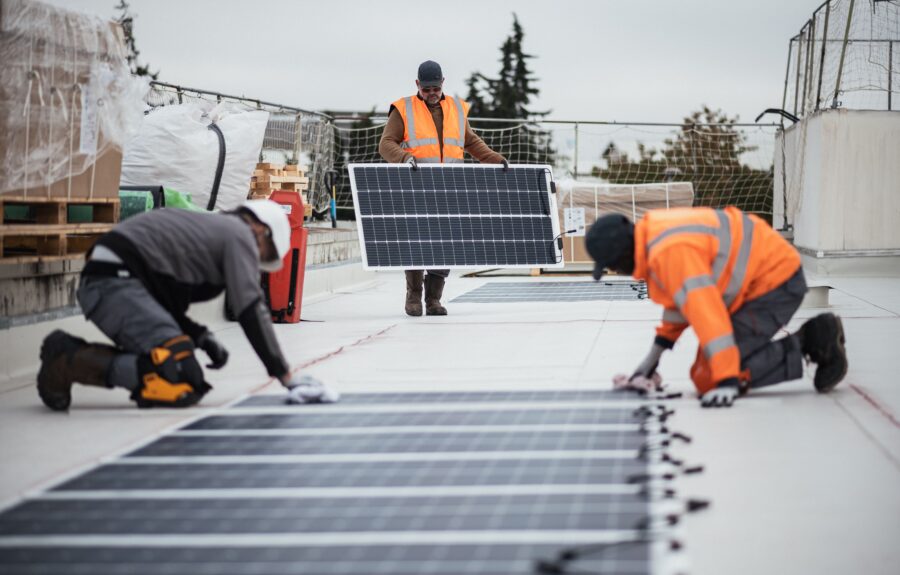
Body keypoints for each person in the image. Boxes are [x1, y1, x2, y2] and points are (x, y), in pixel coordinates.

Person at [36, 201, 338, 410]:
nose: (255, 263)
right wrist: (285, 375)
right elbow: (251, 307)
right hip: (113, 282)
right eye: (262, 253)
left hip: (114, 281)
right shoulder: (238, 234)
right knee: (177, 374)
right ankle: (67, 360)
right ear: (260, 230)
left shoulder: (207, 232)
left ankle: (72, 358)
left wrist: (200, 337)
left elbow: (164, 303)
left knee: (183, 370)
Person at [586, 207, 848, 407]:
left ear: (624, 254)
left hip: (775, 284)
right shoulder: (655, 235)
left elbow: (706, 313)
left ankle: (813, 342)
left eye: (613, 265)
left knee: (709, 377)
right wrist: (651, 360)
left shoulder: (669, 253)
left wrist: (727, 381)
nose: (618, 271)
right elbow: (681, 305)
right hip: (761, 278)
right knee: (703, 373)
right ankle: (810, 339)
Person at [379, 59, 507, 316]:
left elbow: (470, 142)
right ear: (418, 85)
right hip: (416, 187)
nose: (432, 94)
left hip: (449, 188)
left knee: (444, 243)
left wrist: (495, 158)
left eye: (435, 89)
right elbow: (386, 143)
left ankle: (434, 299)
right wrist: (405, 158)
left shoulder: (456, 109)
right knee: (415, 242)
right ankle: (413, 296)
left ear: (442, 84)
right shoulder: (403, 109)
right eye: (426, 90)